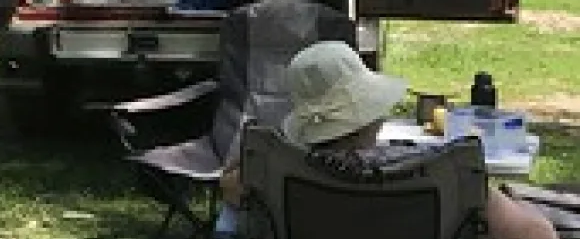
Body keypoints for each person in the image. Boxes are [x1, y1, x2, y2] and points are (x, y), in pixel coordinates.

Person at [214, 41, 557, 239]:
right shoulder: (438, 173)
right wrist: (511, 202)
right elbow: (539, 236)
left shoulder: (276, 176)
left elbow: (229, 186)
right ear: (374, 117)